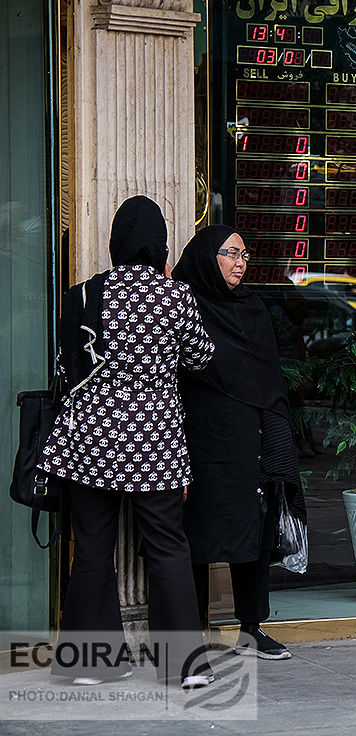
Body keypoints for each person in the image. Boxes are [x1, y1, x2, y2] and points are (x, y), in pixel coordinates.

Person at [38, 195, 216, 688]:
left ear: (115, 244)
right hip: (155, 444)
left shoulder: (82, 296)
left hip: (89, 443)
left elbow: (65, 366)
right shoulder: (177, 298)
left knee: (93, 548)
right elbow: (201, 358)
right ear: (161, 247)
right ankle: (185, 666)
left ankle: (89, 665)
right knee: (167, 548)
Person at [173, 225, 305, 661]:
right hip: (199, 440)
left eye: (245, 254)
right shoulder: (184, 305)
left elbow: (268, 378)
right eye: (230, 253)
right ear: (208, 257)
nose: (240, 262)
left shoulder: (252, 308)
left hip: (250, 442)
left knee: (253, 530)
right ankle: (190, 635)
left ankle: (251, 628)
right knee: (197, 531)